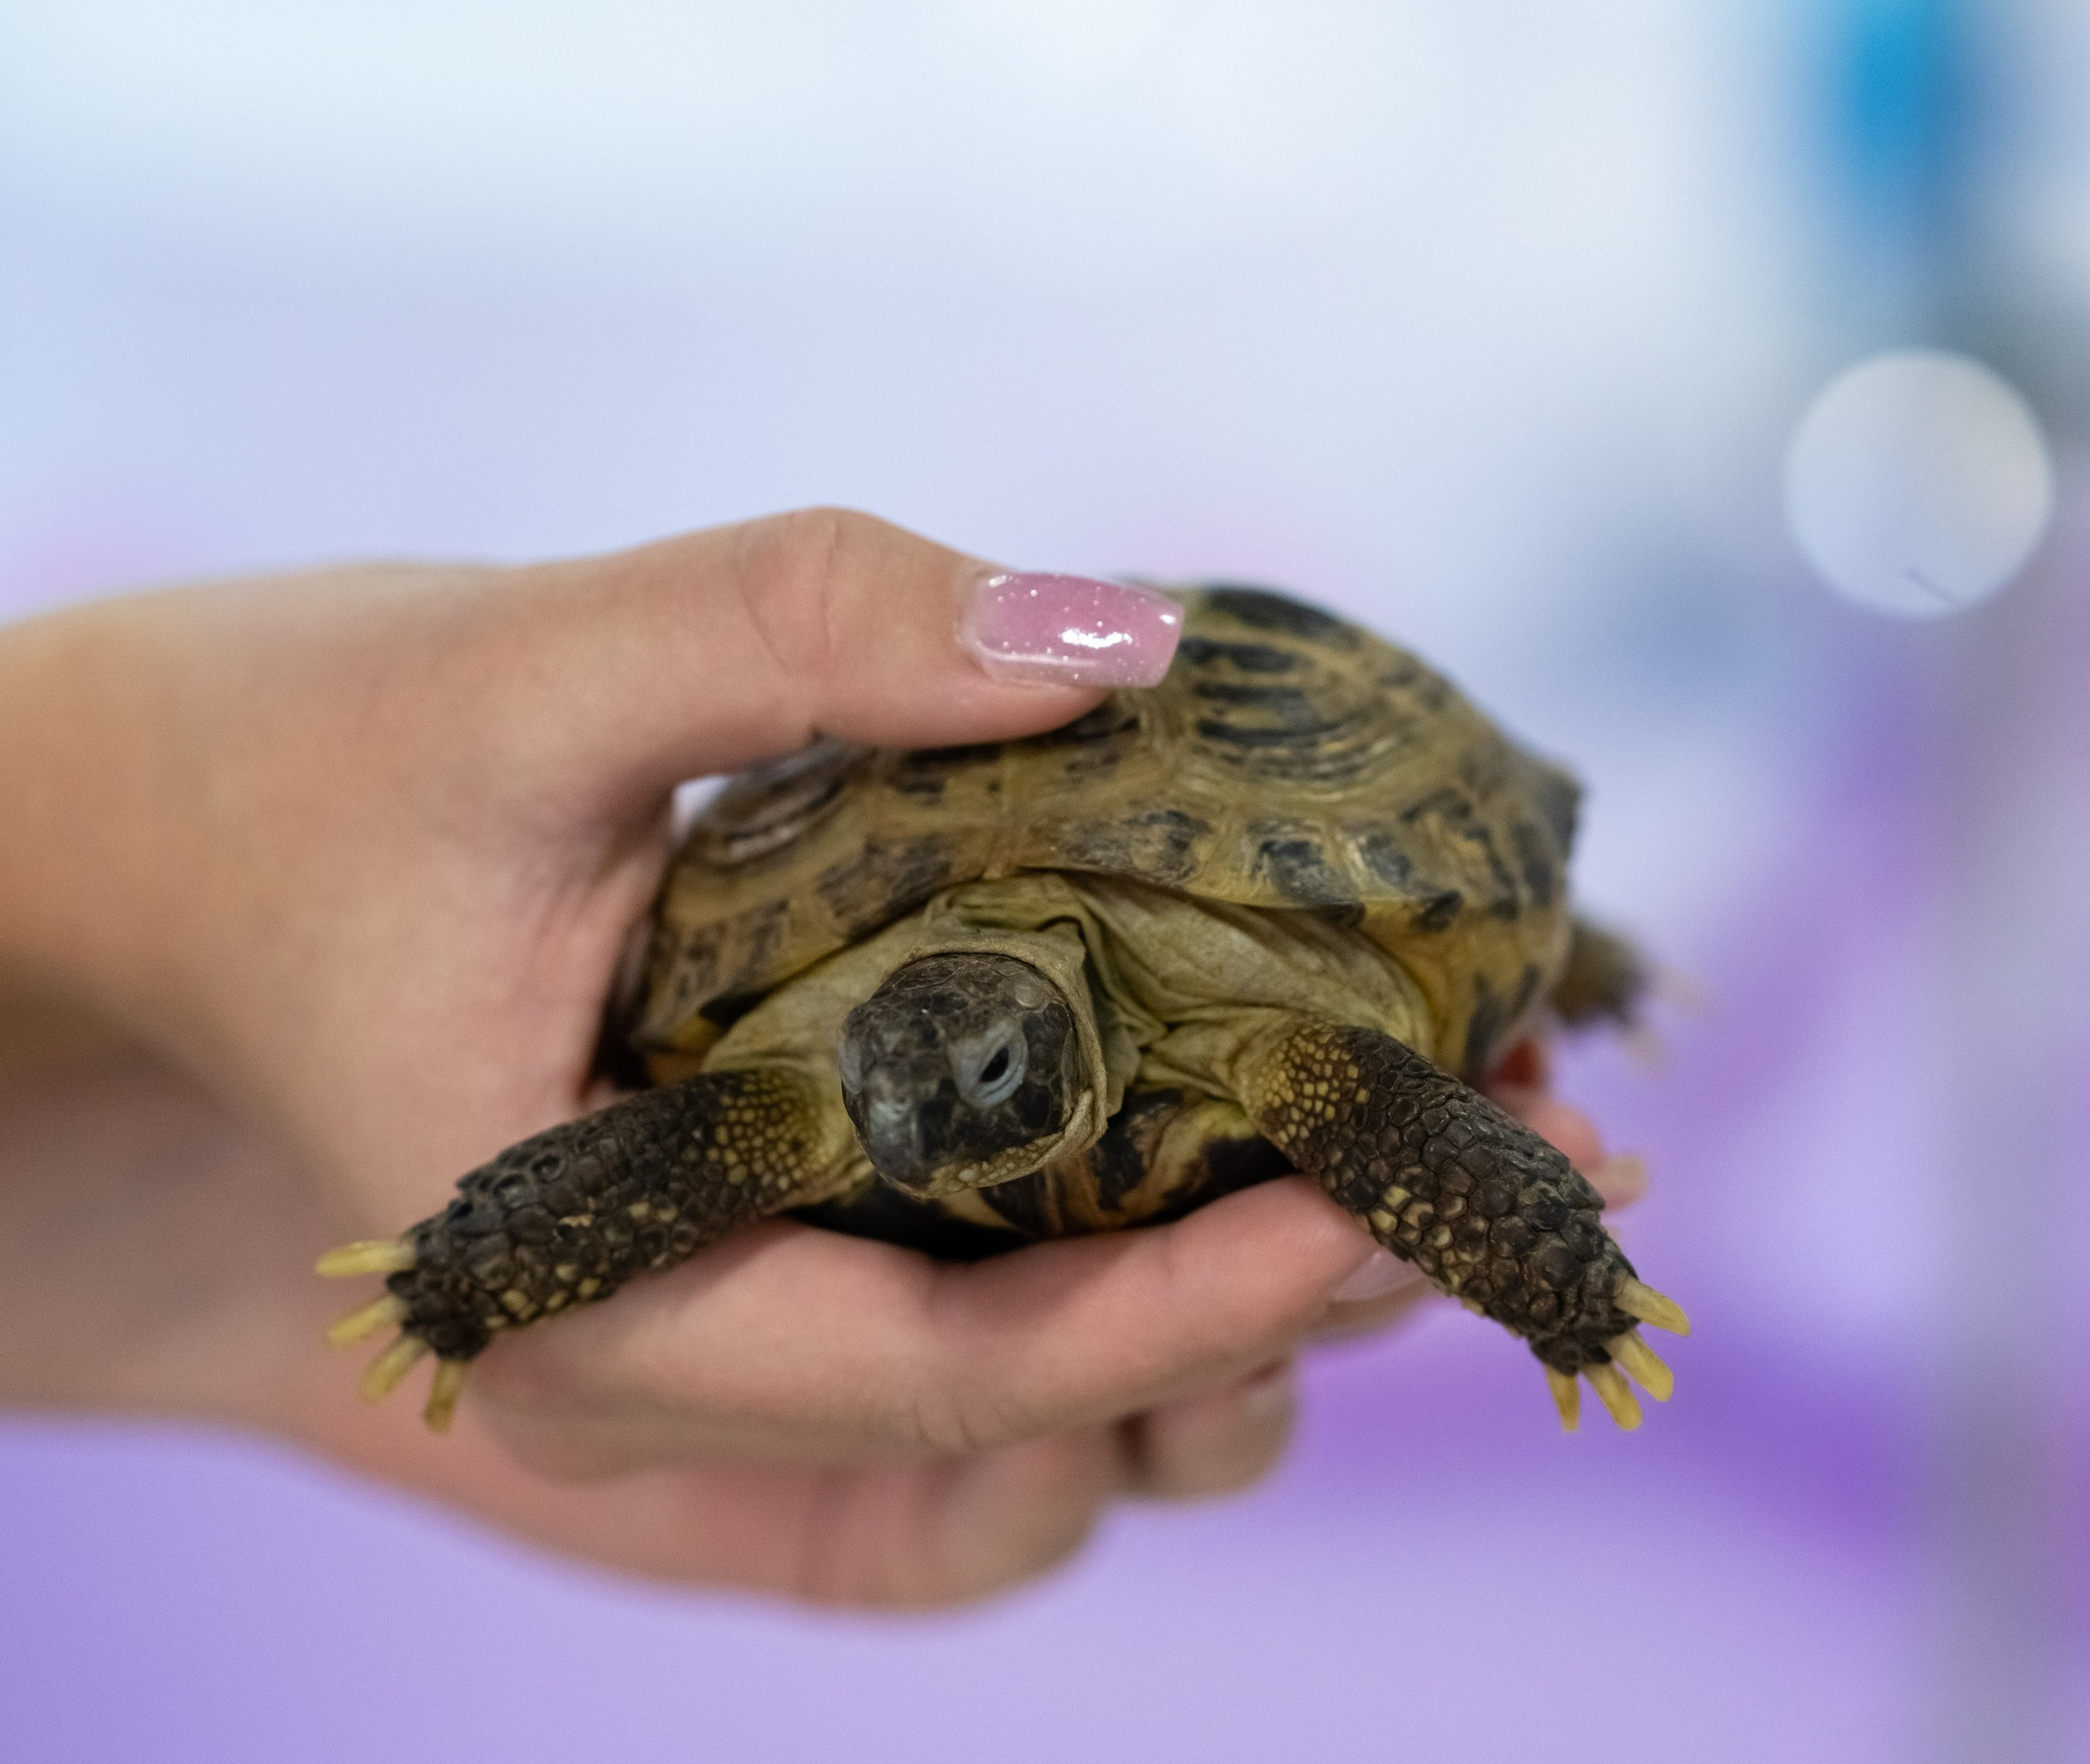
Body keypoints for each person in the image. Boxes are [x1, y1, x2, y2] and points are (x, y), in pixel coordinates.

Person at [0, 507, 1636, 1609]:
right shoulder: (814, 1095)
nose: (905, 1125)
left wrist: (1547, 1275)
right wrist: (459, 1281)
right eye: (879, 1080)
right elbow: (671, 1151)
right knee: (752, 1131)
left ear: (1045, 1038)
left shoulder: (1287, 1044)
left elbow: (1391, 1092)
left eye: (966, 1088)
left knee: (1394, 1063)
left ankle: (1587, 956)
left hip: (1258, 873)